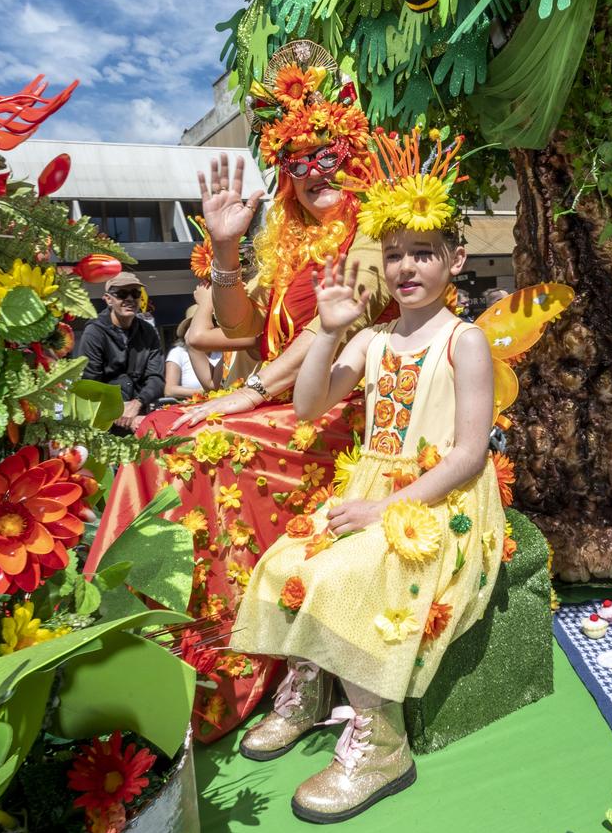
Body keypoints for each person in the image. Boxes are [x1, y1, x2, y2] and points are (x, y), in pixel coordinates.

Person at [84, 40, 396, 741]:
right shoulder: (285, 238)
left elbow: (333, 334)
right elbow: (241, 326)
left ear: (353, 151)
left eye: (327, 151)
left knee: (201, 445)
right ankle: (134, 648)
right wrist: (227, 252)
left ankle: (216, 666)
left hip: (342, 412)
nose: (314, 171)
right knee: (156, 433)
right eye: (296, 158)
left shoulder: (378, 232)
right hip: (282, 398)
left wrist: (249, 394)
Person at [231, 128, 504, 823]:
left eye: (423, 254)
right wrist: (325, 330)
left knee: (350, 574)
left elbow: (469, 453)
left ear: (455, 260)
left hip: (439, 499)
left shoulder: (462, 340)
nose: (407, 267)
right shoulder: (371, 338)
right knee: (286, 556)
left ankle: (382, 743)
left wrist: (388, 512)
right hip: (370, 490)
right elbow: (308, 403)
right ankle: (306, 689)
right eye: (395, 255)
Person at [78, 271, 165, 433]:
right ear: (108, 299)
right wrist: (118, 412)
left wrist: (137, 403)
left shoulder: (148, 331)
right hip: (103, 424)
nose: (130, 299)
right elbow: (90, 385)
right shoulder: (95, 332)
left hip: (140, 416)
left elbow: (156, 378)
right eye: (122, 294)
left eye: (135, 293)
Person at [164, 307, 223, 400]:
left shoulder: (223, 351)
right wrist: (203, 392)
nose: (207, 326)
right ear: (188, 328)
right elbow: (169, 390)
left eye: (211, 322)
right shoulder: (178, 352)